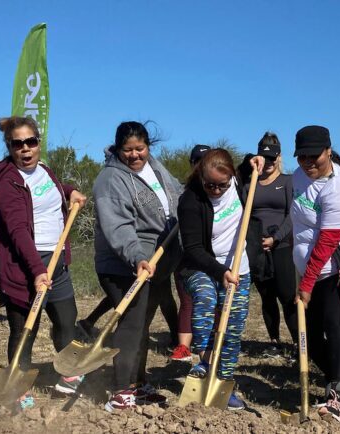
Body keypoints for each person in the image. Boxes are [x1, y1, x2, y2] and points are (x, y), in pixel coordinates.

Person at [0, 116, 88, 408]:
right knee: (24, 329)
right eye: (18, 144)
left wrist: (69, 191)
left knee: (66, 319)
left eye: (31, 142)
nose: (26, 149)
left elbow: (48, 190)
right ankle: (17, 388)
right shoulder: (6, 184)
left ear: (39, 143)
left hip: (56, 258)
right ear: (9, 147)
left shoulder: (43, 170)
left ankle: (69, 377)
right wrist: (37, 271)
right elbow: (17, 232)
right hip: (23, 263)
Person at [85, 121, 182, 413]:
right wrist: (136, 256)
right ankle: (120, 391)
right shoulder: (110, 180)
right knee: (131, 325)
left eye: (140, 148)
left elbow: (177, 194)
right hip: (123, 265)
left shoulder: (156, 167)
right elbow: (119, 228)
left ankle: (139, 385)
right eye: (128, 150)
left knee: (142, 326)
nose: (135, 155)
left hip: (156, 264)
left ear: (148, 147)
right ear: (117, 149)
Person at [177, 149, 264, 411]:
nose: (216, 190)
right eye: (210, 185)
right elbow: (192, 248)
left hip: (238, 268)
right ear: (200, 177)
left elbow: (248, 166)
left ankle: (224, 382)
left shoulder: (235, 182)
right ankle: (204, 357)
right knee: (204, 298)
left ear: (231, 179)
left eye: (221, 185)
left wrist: (254, 161)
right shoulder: (190, 201)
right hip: (200, 267)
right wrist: (219, 272)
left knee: (233, 330)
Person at [290, 125, 340, 424]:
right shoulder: (299, 176)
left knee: (337, 330)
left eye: (314, 157)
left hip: (337, 270)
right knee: (306, 332)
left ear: (328, 151)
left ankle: (338, 396)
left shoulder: (339, 189)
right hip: (308, 269)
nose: (309, 163)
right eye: (302, 157)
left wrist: (306, 283)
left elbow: (326, 243)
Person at [245, 133, 298, 359]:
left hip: (282, 245)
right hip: (257, 248)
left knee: (287, 296)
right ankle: (274, 341)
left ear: (278, 158)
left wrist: (276, 238)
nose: (268, 163)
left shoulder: (287, 181)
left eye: (272, 158)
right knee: (267, 297)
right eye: (263, 158)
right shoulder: (250, 183)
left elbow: (293, 213)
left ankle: (298, 342)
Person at [168, 144, 211, 362]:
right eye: (198, 163)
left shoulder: (219, 190)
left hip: (213, 257)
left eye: (206, 162)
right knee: (187, 301)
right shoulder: (184, 193)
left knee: (211, 302)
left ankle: (209, 347)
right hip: (185, 254)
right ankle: (183, 347)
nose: (201, 167)